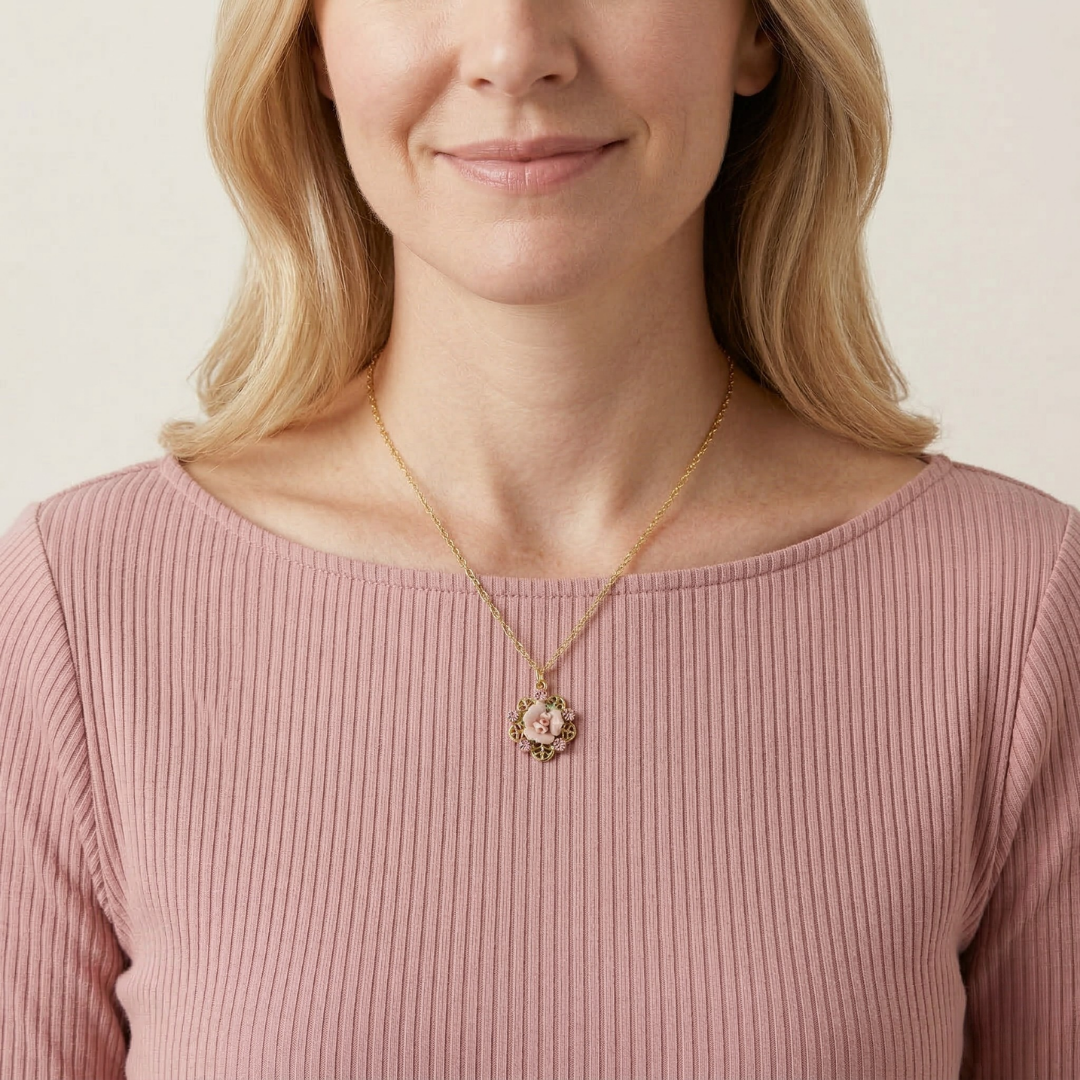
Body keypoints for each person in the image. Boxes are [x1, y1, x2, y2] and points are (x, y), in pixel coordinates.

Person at [1, 0, 1077, 1076]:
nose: (515, 52)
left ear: (758, 30)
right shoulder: (81, 609)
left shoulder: (1018, 606)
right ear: (313, 43)